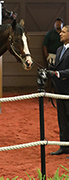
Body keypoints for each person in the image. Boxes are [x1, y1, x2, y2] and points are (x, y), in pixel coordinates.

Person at [46, 24, 69, 155]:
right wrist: (51, 70)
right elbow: (57, 67)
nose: (60, 33)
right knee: (62, 119)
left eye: (64, 32)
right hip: (60, 91)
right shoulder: (59, 49)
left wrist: (60, 74)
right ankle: (64, 146)